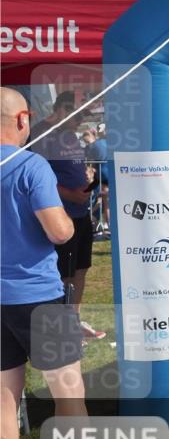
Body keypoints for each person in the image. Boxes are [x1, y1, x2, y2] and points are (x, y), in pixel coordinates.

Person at [1, 87, 88, 439]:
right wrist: (70, 219)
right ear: (22, 119)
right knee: (70, 396)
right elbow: (59, 232)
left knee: (4, 402)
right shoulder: (31, 165)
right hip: (37, 295)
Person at [30, 91, 104, 339]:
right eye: (78, 115)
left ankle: (74, 321)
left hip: (81, 214)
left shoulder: (70, 137)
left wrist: (89, 176)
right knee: (63, 273)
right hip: (61, 215)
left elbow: (77, 166)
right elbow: (36, 178)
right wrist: (69, 194)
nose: (81, 121)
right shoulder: (41, 134)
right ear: (62, 108)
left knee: (81, 269)